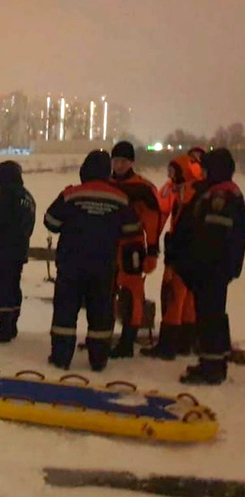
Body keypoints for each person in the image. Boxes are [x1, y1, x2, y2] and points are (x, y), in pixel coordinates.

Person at [43, 150, 144, 371]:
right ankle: (98, 360)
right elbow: (133, 228)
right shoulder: (119, 198)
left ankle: (61, 358)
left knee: (65, 311)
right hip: (104, 265)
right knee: (101, 312)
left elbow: (50, 221)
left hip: (71, 264)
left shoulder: (71, 194)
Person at [172, 149, 245, 384]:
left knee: (209, 315)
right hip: (218, 266)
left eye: (206, 169)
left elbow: (212, 237)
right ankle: (215, 360)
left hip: (211, 267)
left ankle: (211, 368)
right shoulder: (227, 192)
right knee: (214, 313)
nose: (202, 173)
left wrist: (194, 262)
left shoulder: (220, 197)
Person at [141, 155, 203, 359]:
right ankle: (185, 342)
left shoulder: (186, 193)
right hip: (191, 254)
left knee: (173, 297)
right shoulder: (193, 190)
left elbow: (165, 214)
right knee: (187, 300)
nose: (170, 175)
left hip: (180, 253)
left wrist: (164, 245)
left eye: (172, 171)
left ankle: (168, 346)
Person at [108, 141, 163, 357]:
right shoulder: (105, 183)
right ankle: (102, 334)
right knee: (104, 291)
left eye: (123, 161)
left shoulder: (143, 188)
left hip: (132, 248)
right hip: (107, 246)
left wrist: (152, 251)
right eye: (116, 161)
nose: (119, 165)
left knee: (132, 294)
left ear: (131, 162)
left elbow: (153, 221)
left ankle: (127, 342)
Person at [0, 161, 36, 343]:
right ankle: (11, 324)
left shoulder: (5, 192)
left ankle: (4, 327)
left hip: (4, 248)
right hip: (19, 248)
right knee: (13, 285)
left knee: (0, 286)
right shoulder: (27, 196)